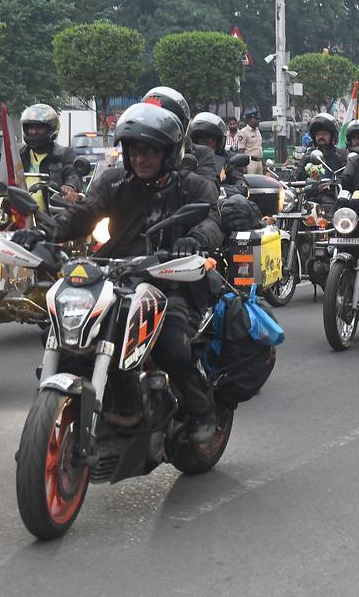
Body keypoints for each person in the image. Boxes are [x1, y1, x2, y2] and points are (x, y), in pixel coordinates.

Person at [16, 103, 223, 442]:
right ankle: (96, 398)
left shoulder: (194, 187)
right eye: (134, 150)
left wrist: (193, 240)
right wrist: (45, 232)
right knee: (62, 323)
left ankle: (201, 409)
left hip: (172, 278)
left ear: (169, 153)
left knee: (170, 341)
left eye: (150, 152)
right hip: (116, 274)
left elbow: (212, 221)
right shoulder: (114, 182)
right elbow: (83, 212)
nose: (141, 159)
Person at [142, 86, 218, 183]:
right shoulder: (136, 154)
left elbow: (210, 189)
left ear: (182, 126)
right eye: (150, 121)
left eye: (163, 123)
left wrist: (178, 178)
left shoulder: (201, 153)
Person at [19, 104, 83, 205]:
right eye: (30, 127)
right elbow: (5, 174)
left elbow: (73, 175)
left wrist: (69, 187)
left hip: (51, 216)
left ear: (51, 128)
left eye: (39, 128)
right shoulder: (20, 154)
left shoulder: (64, 154)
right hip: (19, 214)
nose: (34, 132)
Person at [188, 111, 245, 188]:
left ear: (219, 141)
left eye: (208, 141)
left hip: (222, 199)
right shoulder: (188, 159)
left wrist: (240, 185)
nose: (204, 146)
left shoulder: (229, 159)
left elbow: (239, 180)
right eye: (200, 141)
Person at [294, 113, 347, 179]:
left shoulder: (342, 155)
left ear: (332, 135)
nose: (321, 136)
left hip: (336, 189)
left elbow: (348, 177)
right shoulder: (309, 156)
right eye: (318, 134)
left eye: (325, 134)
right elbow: (296, 178)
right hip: (313, 189)